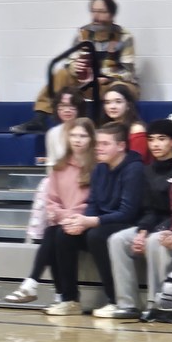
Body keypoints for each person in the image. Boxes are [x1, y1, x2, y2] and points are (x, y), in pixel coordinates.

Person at [45, 122, 144, 316]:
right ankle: (69, 299)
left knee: (97, 236)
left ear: (121, 146)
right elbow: (93, 203)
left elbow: (128, 213)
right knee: (62, 233)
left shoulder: (134, 169)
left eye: (105, 144)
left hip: (129, 224)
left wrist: (91, 222)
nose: (98, 147)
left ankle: (115, 300)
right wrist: (80, 222)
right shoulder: (100, 168)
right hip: (103, 221)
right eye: (97, 143)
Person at [11, 0, 137, 134]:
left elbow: (128, 71)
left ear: (112, 14)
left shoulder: (124, 36)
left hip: (109, 84)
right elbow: (70, 61)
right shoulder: (83, 33)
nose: (96, 16)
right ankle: (40, 118)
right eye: (94, 11)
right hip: (87, 82)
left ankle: (113, 128)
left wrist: (107, 77)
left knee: (120, 88)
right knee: (61, 74)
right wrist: (74, 67)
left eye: (102, 12)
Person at [5, 117, 96, 304]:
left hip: (87, 223)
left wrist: (71, 217)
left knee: (54, 233)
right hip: (64, 223)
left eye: (83, 136)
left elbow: (94, 202)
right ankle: (55, 292)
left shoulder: (97, 168)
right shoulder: (60, 166)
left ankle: (36, 284)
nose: (77, 140)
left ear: (91, 139)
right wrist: (64, 217)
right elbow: (51, 201)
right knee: (54, 233)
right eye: (73, 135)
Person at [105, 118, 172, 321]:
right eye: (151, 139)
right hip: (153, 223)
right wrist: (141, 232)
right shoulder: (146, 170)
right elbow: (148, 209)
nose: (155, 144)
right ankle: (127, 304)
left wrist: (160, 232)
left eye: (161, 139)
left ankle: (156, 304)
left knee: (156, 242)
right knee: (118, 239)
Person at [98, 82, 148, 161]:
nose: (112, 107)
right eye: (108, 102)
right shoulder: (106, 127)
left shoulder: (137, 129)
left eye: (118, 102)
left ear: (128, 105)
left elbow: (137, 160)